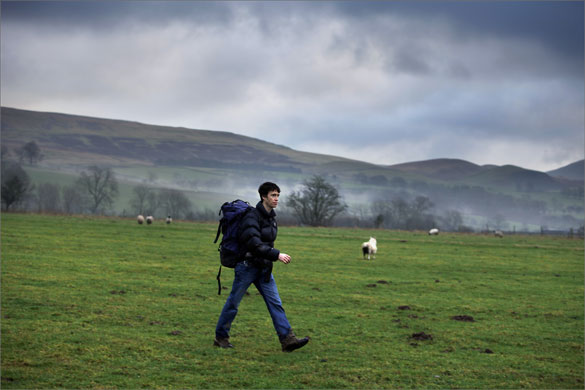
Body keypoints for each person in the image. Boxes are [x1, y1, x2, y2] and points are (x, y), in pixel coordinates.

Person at [214, 182, 310, 352]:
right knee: (233, 303)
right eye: (273, 195)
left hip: (263, 267)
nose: (276, 199)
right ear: (263, 196)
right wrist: (277, 255)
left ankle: (287, 340)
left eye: (278, 195)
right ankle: (221, 337)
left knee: (276, 303)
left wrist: (270, 257)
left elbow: (266, 242)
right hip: (247, 266)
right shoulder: (251, 217)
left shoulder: (271, 218)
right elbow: (253, 243)